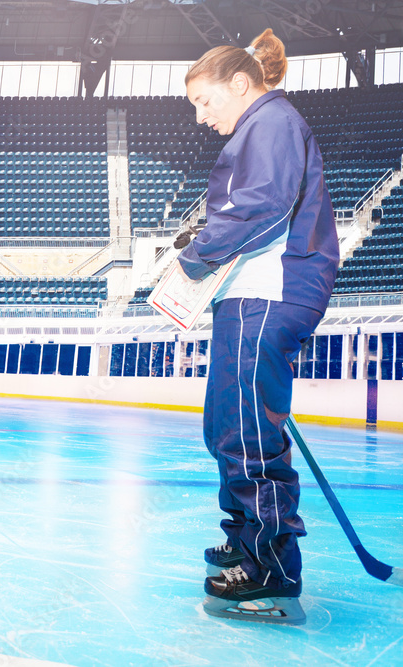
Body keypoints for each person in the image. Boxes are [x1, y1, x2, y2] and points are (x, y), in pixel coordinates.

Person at [178, 29, 339, 625]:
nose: (200, 116)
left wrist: (196, 255)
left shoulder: (270, 120)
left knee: (245, 429)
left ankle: (271, 559)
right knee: (226, 422)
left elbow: (262, 204)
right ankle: (247, 538)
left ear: (239, 84)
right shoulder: (259, 125)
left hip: (271, 291)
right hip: (248, 292)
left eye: (204, 101)